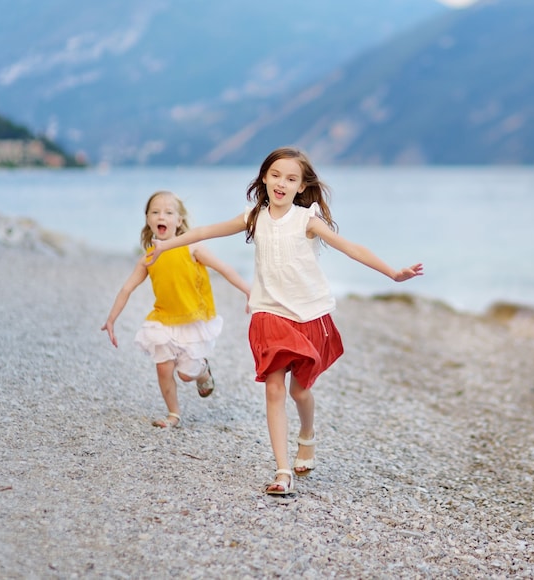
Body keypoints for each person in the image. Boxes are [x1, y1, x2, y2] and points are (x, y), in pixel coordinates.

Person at [147, 147, 423, 495]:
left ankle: (307, 436)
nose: (281, 183)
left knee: (300, 391)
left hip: (308, 314)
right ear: (264, 177)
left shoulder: (307, 220)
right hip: (269, 313)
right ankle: (282, 472)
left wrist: (392, 272)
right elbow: (204, 231)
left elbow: (350, 247)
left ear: (301, 185)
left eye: (291, 178)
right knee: (274, 388)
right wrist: (165, 246)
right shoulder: (254, 216)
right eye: (276, 175)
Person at [102, 190, 252, 429]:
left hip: (192, 319)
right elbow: (126, 289)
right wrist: (111, 320)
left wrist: (248, 290)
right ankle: (173, 414)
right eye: (155, 212)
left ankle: (202, 370)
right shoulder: (148, 258)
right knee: (163, 368)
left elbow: (224, 269)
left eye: (169, 212)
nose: (162, 216)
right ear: (149, 220)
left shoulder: (192, 248)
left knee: (186, 374)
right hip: (163, 320)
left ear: (179, 221)